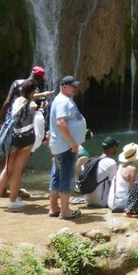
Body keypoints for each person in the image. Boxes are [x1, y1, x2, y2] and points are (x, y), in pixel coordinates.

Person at [0, 78, 44, 210]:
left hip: (13, 138)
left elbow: (28, 98)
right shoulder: (32, 105)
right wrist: (41, 110)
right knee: (17, 170)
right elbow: (36, 118)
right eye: (35, 90)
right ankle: (13, 201)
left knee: (7, 169)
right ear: (31, 92)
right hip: (26, 139)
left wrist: (43, 94)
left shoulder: (17, 101)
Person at [48, 75, 87, 221]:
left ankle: (54, 207)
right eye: (73, 86)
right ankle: (65, 211)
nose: (76, 88)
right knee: (67, 177)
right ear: (64, 86)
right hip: (66, 146)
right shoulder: (63, 101)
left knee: (56, 175)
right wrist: (72, 142)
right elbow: (60, 123)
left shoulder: (62, 100)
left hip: (61, 145)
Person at [84, 137, 119, 208]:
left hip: (88, 200)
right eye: (115, 147)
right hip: (102, 202)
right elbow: (114, 184)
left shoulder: (92, 160)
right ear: (112, 148)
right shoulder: (111, 162)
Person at [108, 142, 138, 213]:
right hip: (121, 204)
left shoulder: (119, 166)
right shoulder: (132, 169)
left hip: (111, 202)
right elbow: (132, 189)